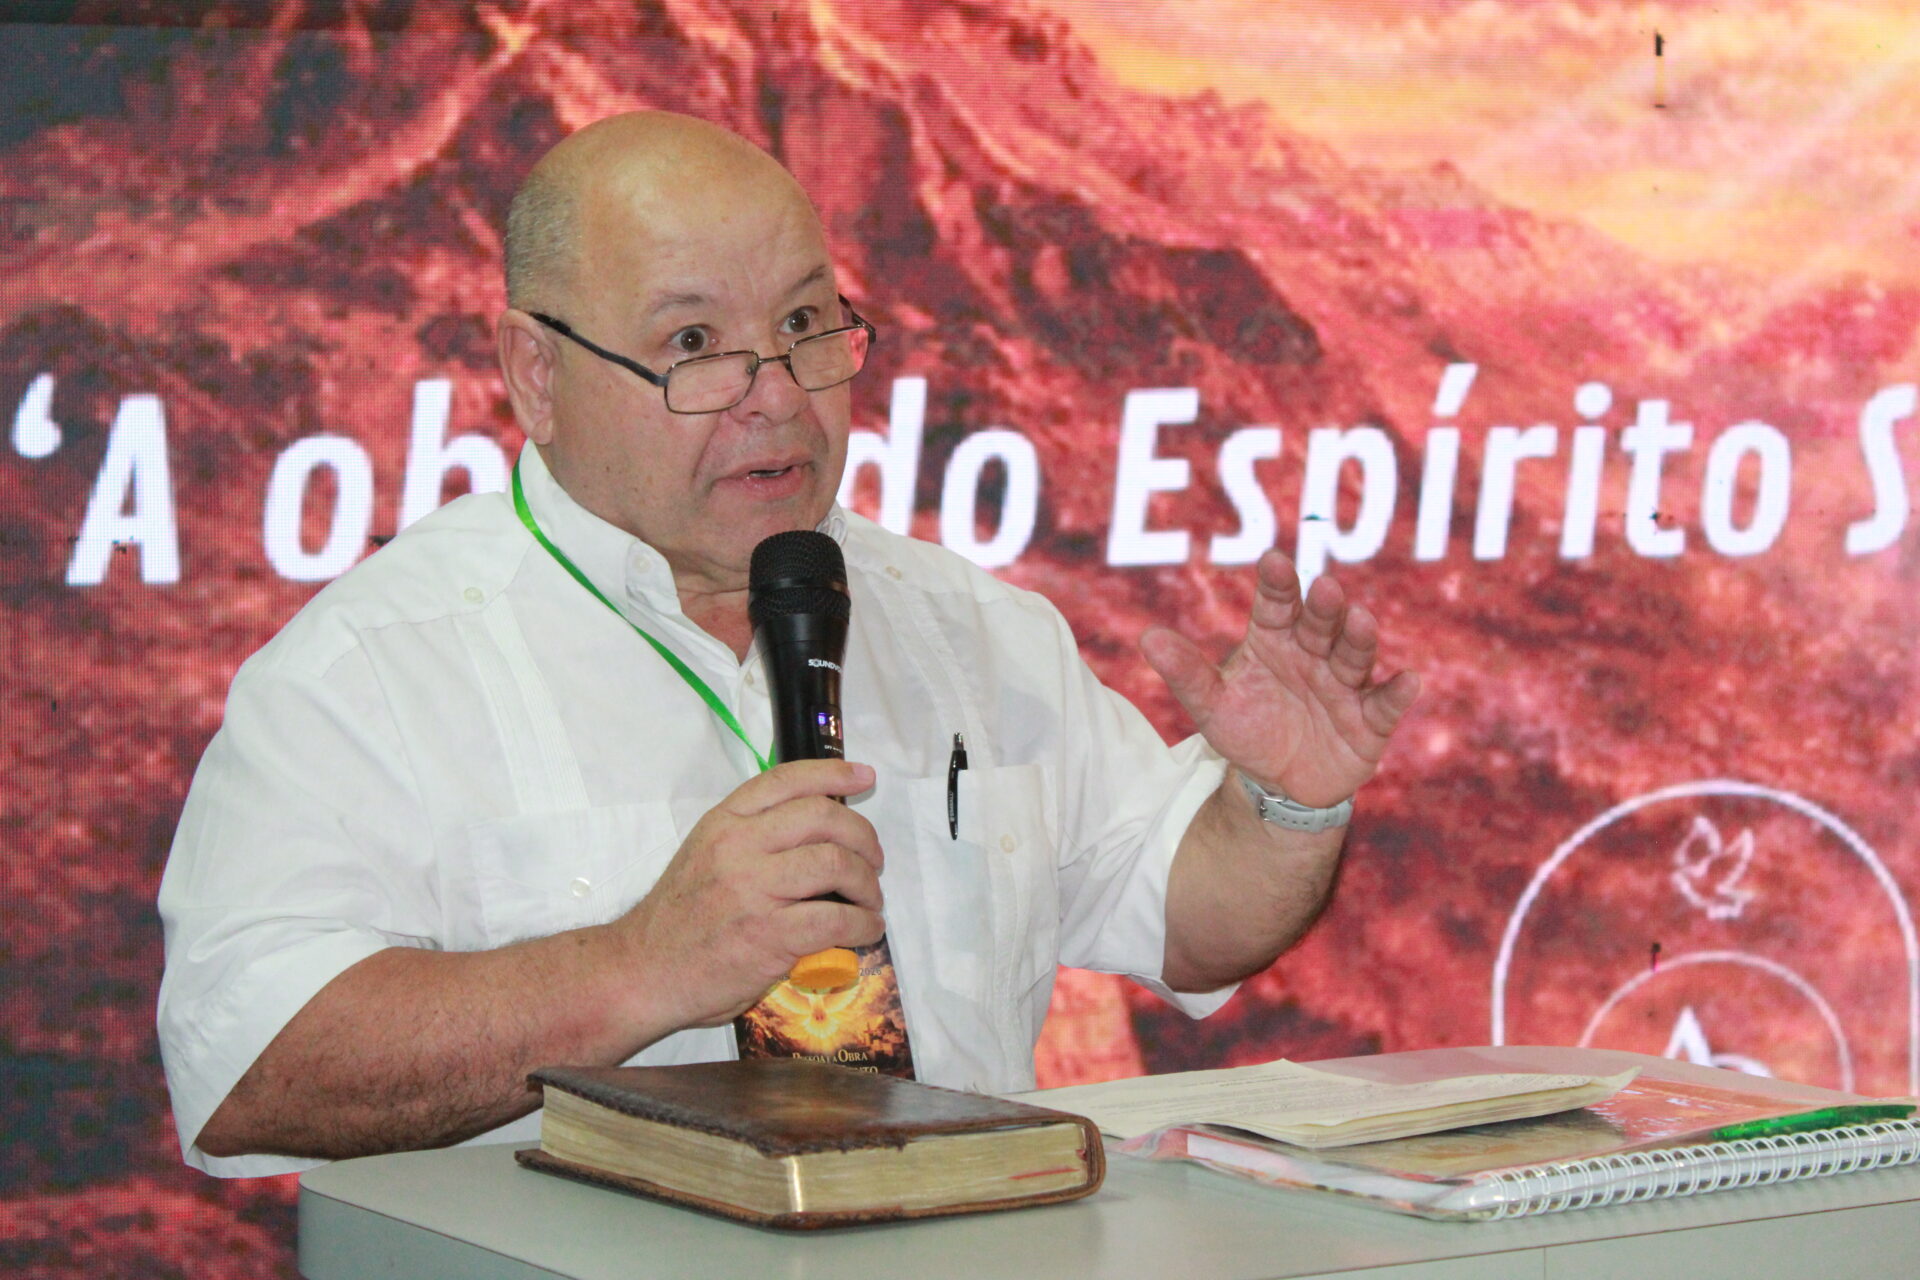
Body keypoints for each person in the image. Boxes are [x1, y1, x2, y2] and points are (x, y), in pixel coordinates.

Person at [156, 112, 1420, 1177]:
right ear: (535, 373)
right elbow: (245, 1063)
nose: (776, 393)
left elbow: (1185, 914)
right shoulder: (370, 670)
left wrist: (1285, 804)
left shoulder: (970, 629)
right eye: (693, 344)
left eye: (809, 323)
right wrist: (641, 965)